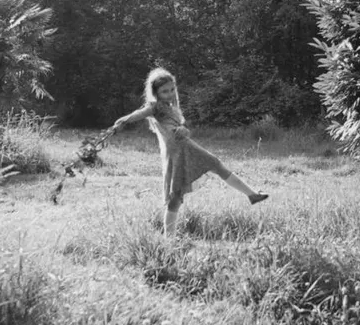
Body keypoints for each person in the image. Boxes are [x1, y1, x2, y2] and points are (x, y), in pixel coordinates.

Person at [113, 67, 268, 235]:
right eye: (165, 91)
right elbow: (139, 114)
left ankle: (252, 195)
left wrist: (183, 129)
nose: (170, 94)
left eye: (172, 89)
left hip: (185, 147)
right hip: (177, 152)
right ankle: (169, 239)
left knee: (214, 165)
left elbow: (183, 129)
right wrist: (122, 121)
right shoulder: (156, 106)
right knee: (177, 194)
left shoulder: (173, 108)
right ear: (156, 93)